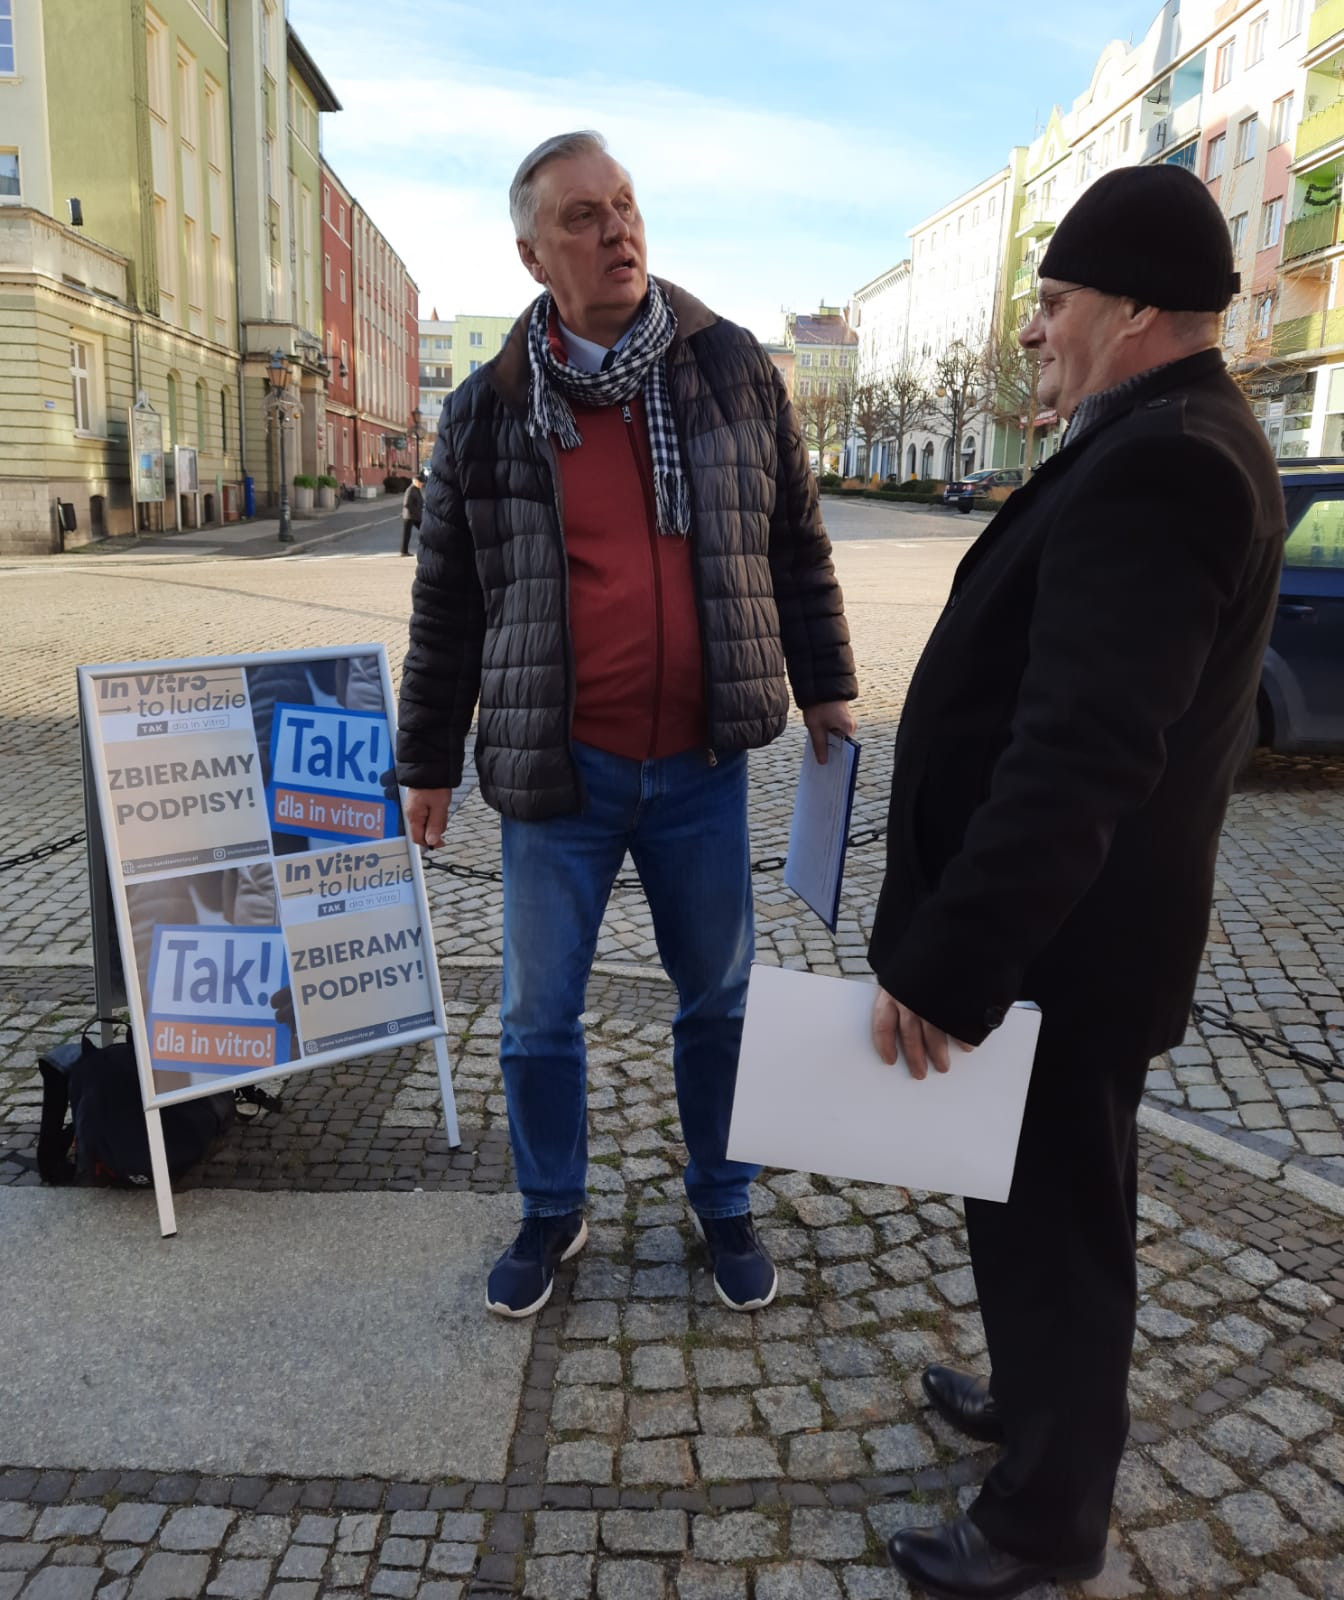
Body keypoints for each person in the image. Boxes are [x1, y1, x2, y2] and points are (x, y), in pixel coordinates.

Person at [867, 163, 1284, 1599]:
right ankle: (1036, 1400)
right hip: (1071, 940)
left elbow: (1081, 754)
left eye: (1054, 302)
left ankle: (1046, 1519)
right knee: (1030, 1205)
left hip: (1064, 951)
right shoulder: (1163, 431)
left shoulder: (1170, 461)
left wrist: (953, 961)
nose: (1033, 329)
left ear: (1138, 307)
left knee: (1060, 1225)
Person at [396, 131, 856, 1319]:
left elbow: (796, 542)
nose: (618, 231)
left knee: (721, 998)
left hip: (700, 766)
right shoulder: (488, 412)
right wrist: (425, 760)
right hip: (562, 771)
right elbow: (447, 602)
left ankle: (724, 1197)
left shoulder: (730, 370)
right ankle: (553, 1209)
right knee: (536, 1013)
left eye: (627, 204)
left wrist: (827, 684)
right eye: (584, 216)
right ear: (532, 254)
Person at [400, 473, 424, 557]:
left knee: (425, 530)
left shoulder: (416, 489)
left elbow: (420, 502)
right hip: (409, 516)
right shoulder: (410, 490)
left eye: (422, 482)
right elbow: (406, 503)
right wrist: (414, 511)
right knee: (406, 534)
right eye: (420, 482)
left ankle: (427, 547)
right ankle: (404, 552)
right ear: (415, 481)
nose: (422, 484)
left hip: (416, 516)